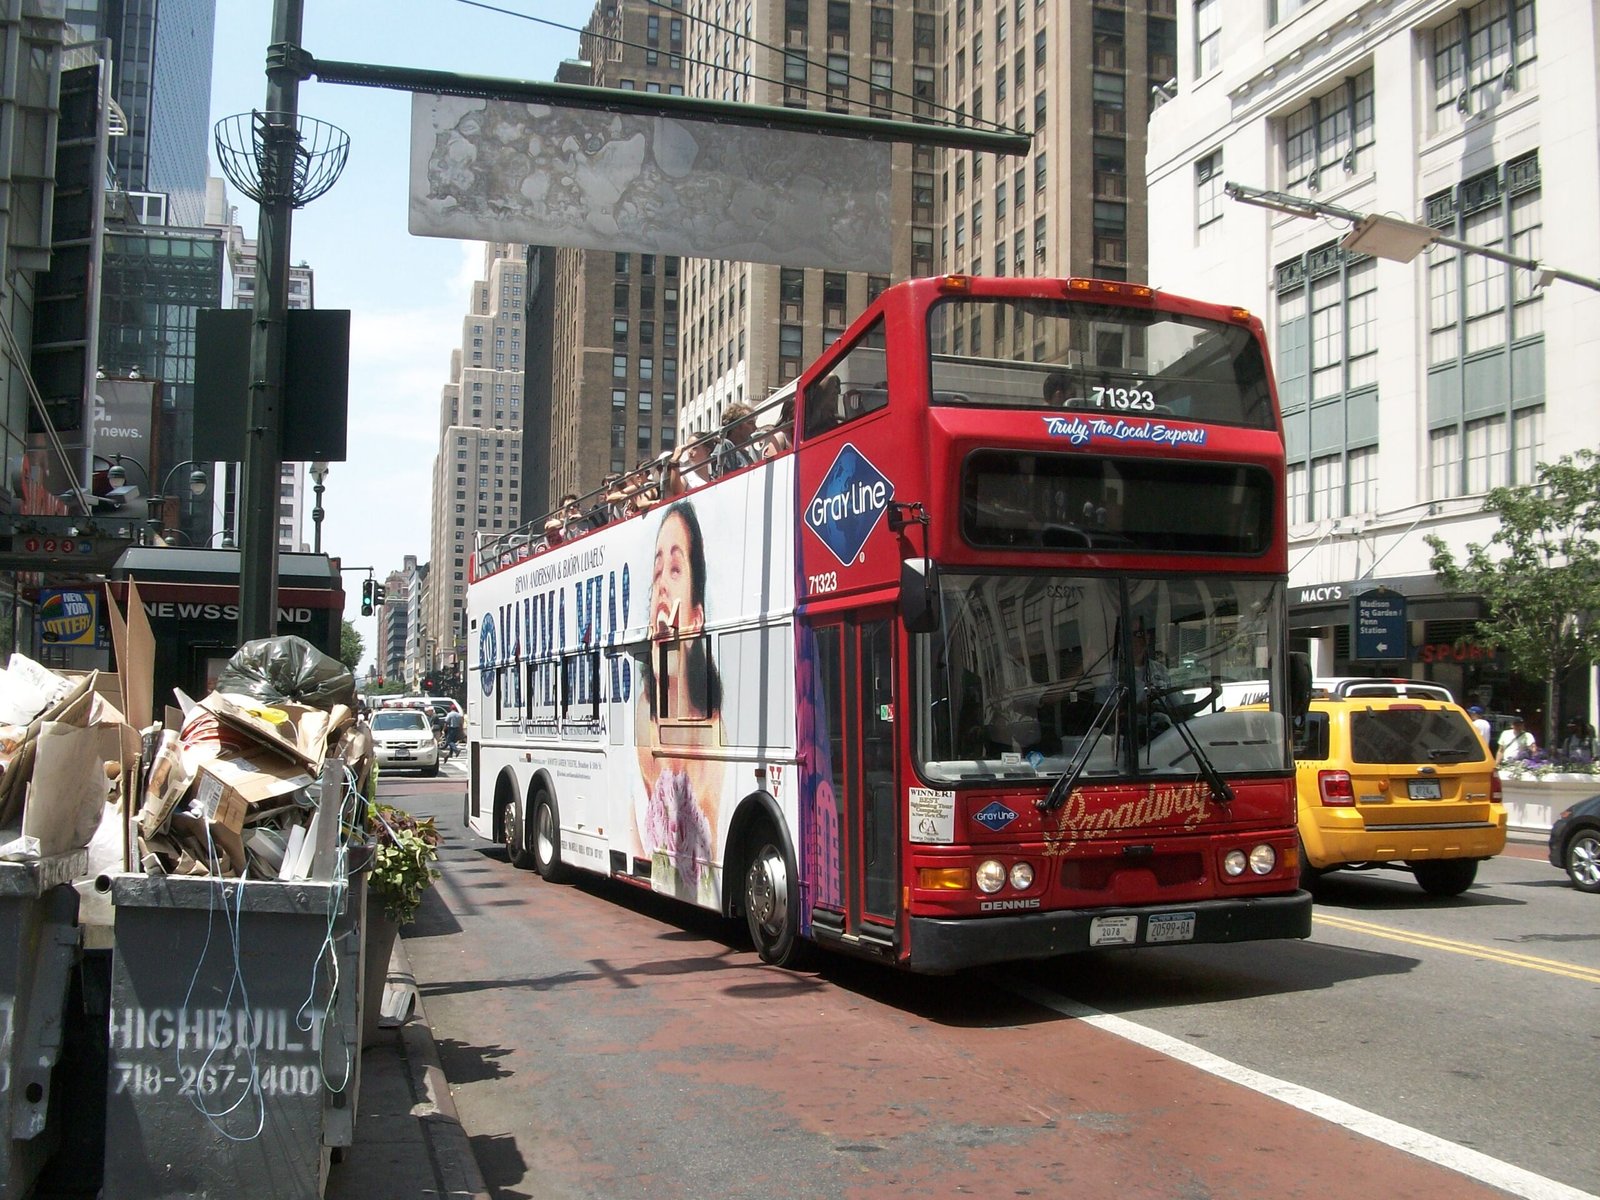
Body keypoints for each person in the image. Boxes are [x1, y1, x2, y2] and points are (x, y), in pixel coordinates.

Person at [634, 500, 726, 891]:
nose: (661, 587)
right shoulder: (643, 713)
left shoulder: (719, 737)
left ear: (696, 616)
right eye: (657, 572)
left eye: (675, 569)